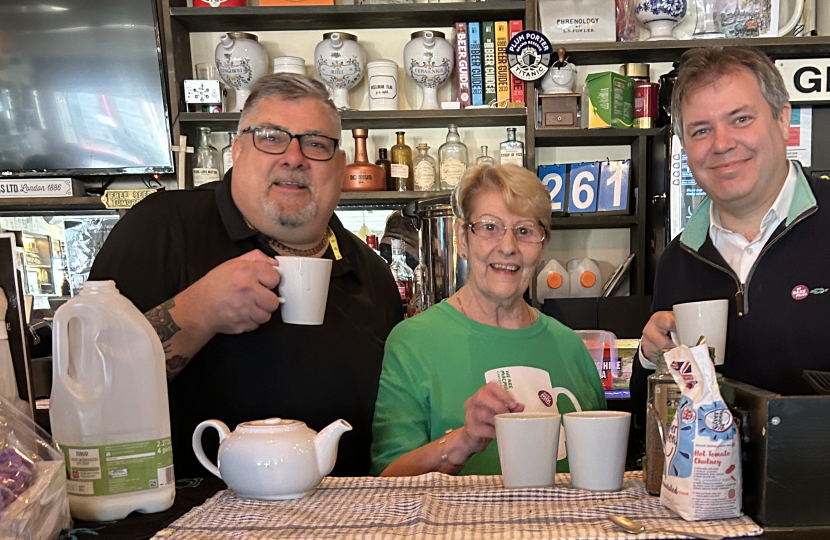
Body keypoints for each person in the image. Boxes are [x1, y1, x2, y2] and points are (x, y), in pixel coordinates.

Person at [89, 73, 403, 478]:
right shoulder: (162, 227)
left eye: (316, 143)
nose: (294, 157)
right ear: (237, 150)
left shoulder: (370, 272)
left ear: (340, 166)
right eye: (271, 137)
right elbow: (90, 394)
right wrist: (196, 312)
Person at [371, 164, 606, 477]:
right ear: (462, 239)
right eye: (490, 227)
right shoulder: (413, 343)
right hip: (455, 528)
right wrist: (464, 440)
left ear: (542, 246)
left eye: (524, 231)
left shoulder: (570, 347)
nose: (508, 247)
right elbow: (385, 482)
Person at [632, 46, 830, 411]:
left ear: (783, 120)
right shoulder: (677, 261)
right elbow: (656, 421)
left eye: (740, 119)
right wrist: (649, 358)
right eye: (701, 130)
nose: (721, 144)